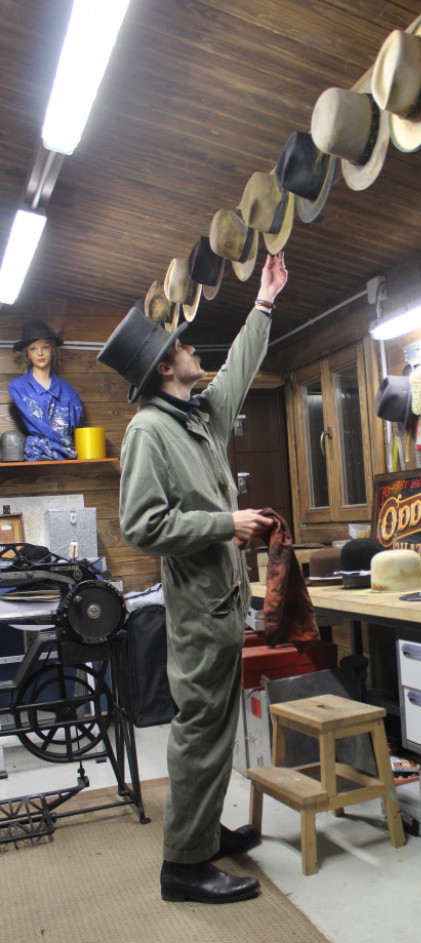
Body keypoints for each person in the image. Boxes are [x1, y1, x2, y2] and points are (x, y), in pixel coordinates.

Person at [98, 252, 287, 904]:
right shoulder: (150, 432)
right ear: (161, 369)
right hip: (201, 609)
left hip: (222, 606)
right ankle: (183, 867)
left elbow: (237, 370)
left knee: (213, 727)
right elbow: (142, 527)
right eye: (177, 346)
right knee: (200, 732)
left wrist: (263, 304)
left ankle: (202, 833)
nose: (187, 347)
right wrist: (224, 523)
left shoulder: (197, 417)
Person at [8, 320, 84, 460]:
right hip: (36, 455)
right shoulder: (17, 387)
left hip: (67, 458)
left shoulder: (69, 392)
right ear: (27, 353)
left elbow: (78, 427)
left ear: (52, 349)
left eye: (45, 347)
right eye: (33, 348)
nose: (40, 353)